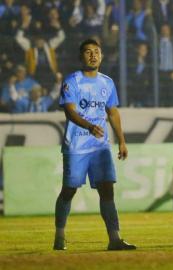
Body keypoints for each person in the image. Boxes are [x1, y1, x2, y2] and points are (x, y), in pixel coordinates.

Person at [53, 39, 136, 251]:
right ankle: (60, 235)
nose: (93, 55)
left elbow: (113, 112)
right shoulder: (72, 81)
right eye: (88, 52)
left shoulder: (107, 82)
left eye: (97, 52)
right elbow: (70, 111)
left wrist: (122, 141)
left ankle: (114, 239)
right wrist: (89, 126)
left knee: (107, 191)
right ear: (81, 57)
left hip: (100, 147)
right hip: (76, 146)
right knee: (69, 190)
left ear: (102, 56)